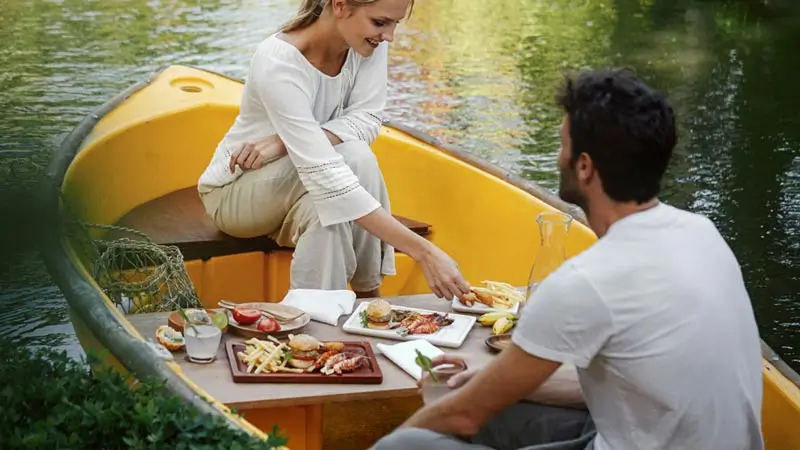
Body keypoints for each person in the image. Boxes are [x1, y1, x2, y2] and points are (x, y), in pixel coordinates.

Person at [372, 68, 765, 450]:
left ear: (584, 166)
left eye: (562, 144)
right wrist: (487, 377)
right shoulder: (703, 235)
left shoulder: (586, 280)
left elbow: (463, 417)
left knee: (408, 441)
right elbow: (625, 380)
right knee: (460, 393)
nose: (558, 156)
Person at [197, 0, 470, 300]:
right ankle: (371, 297)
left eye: (394, 24)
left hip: (304, 188)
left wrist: (281, 142)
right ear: (340, 6)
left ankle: (318, 324)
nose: (389, 36)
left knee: (328, 212)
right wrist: (425, 253)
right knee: (354, 160)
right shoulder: (278, 61)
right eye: (380, 22)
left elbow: (367, 119)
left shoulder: (367, 44)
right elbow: (326, 174)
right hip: (238, 193)